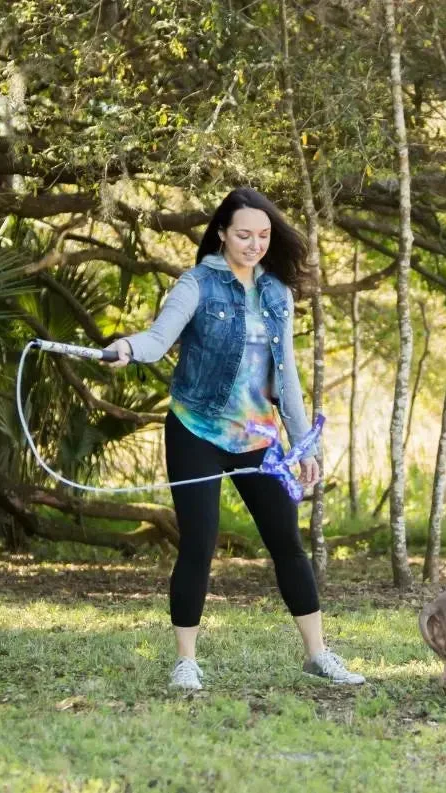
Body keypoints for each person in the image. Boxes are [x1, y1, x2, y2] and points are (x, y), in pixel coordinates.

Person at [105, 187, 365, 691]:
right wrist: (127, 348)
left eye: (263, 235)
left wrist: (303, 444)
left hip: (257, 437)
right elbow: (159, 340)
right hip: (196, 429)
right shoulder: (196, 284)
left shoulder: (277, 294)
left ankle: (317, 654)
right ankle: (186, 661)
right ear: (222, 233)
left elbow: (285, 375)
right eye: (244, 235)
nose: (254, 244)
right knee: (199, 545)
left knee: (287, 543)